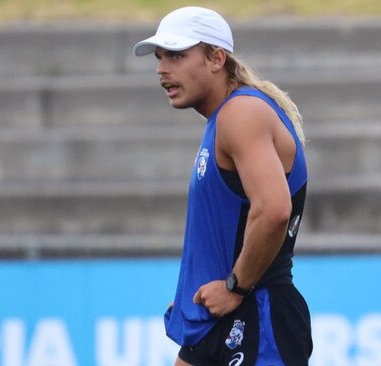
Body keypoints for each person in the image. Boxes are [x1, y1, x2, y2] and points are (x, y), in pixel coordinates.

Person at [133, 6, 312, 366]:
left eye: (177, 55)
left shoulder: (241, 113)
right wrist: (193, 288)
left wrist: (235, 286)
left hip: (257, 312)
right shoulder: (225, 117)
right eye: (159, 57)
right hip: (223, 315)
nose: (162, 68)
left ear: (216, 58)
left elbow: (274, 210)